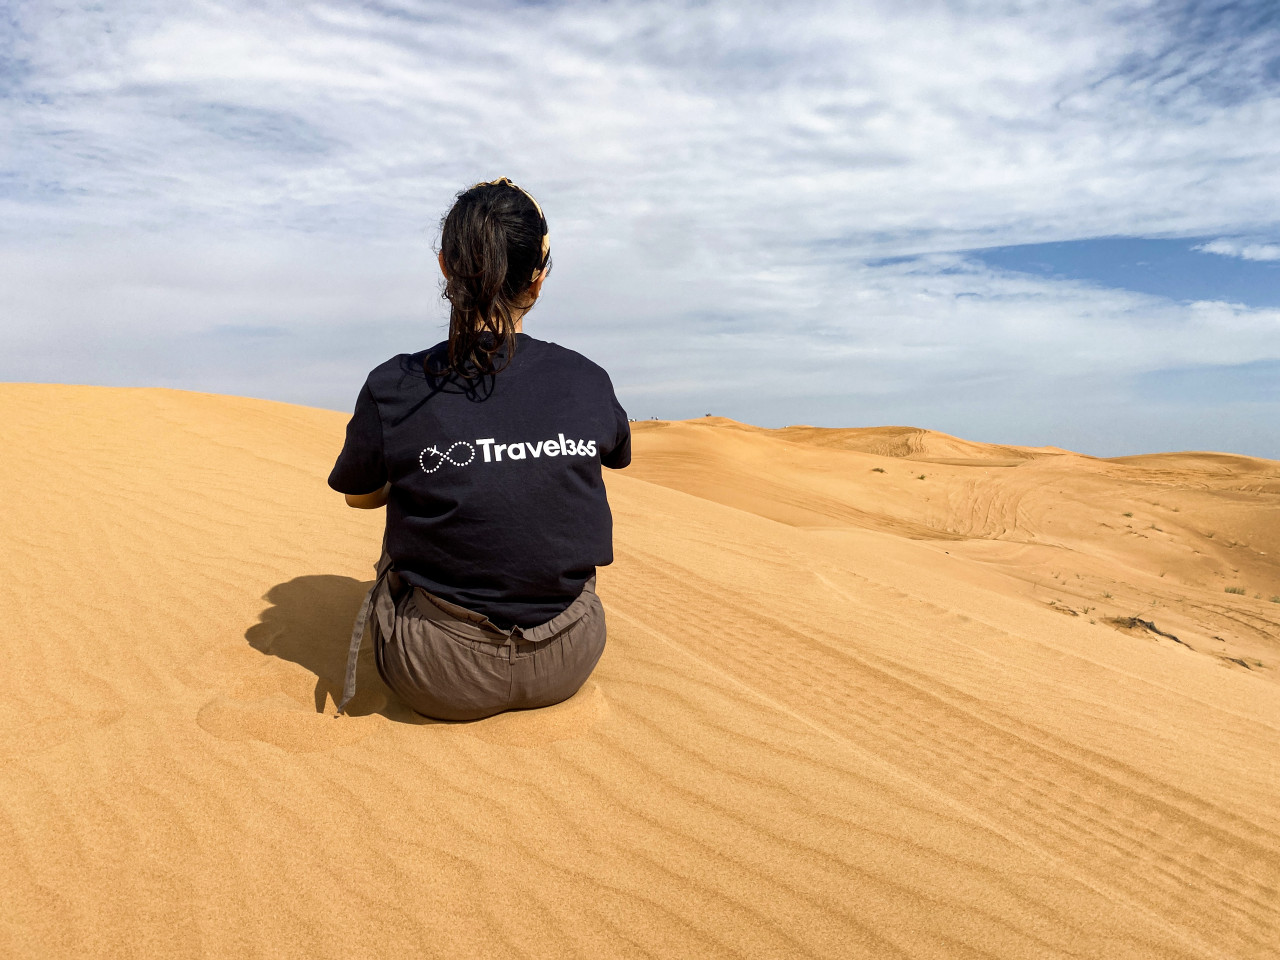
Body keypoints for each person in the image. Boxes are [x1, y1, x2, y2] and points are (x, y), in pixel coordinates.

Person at [327, 177, 631, 721]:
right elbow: (612, 455)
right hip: (571, 655)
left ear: (445, 266)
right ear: (537, 281)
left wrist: (432, 468)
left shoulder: (394, 385)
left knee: (400, 544)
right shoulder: (587, 380)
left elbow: (359, 497)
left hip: (439, 674)